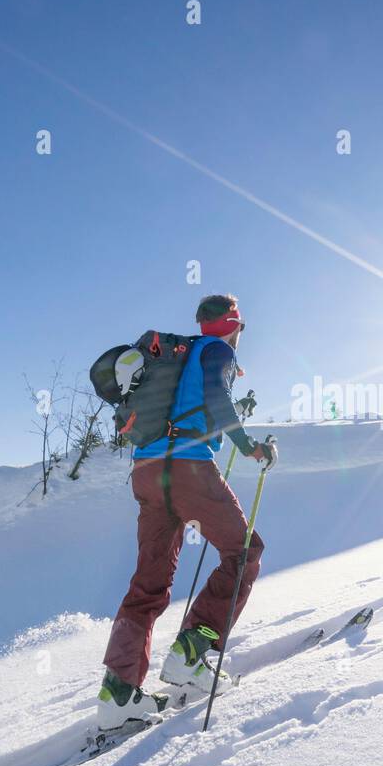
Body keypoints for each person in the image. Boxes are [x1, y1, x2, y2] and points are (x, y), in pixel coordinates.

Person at [96, 294, 277, 730]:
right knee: (244, 551)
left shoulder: (182, 356)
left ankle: (118, 695)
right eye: (241, 327)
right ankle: (191, 653)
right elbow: (218, 399)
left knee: (148, 584)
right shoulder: (217, 351)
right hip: (188, 468)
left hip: (147, 470)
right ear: (234, 324)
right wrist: (250, 447)